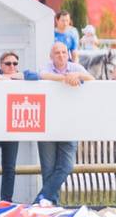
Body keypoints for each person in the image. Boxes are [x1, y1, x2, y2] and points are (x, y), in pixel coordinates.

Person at [35, 42, 92, 205]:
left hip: (70, 125)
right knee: (48, 169)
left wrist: (78, 76)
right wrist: (66, 78)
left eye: (63, 52)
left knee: (66, 166)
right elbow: (42, 75)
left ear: (68, 54)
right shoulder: (46, 67)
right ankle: (52, 204)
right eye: (57, 53)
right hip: (48, 125)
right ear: (51, 56)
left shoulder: (76, 68)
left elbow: (92, 79)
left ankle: (40, 199)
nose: (60, 55)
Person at [0, 51, 41, 202]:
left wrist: (19, 76)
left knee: (9, 168)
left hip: (11, 130)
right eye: (8, 63)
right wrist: (1, 78)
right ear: (1, 65)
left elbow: (36, 76)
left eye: (15, 63)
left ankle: (6, 202)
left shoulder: (21, 77)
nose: (12, 66)